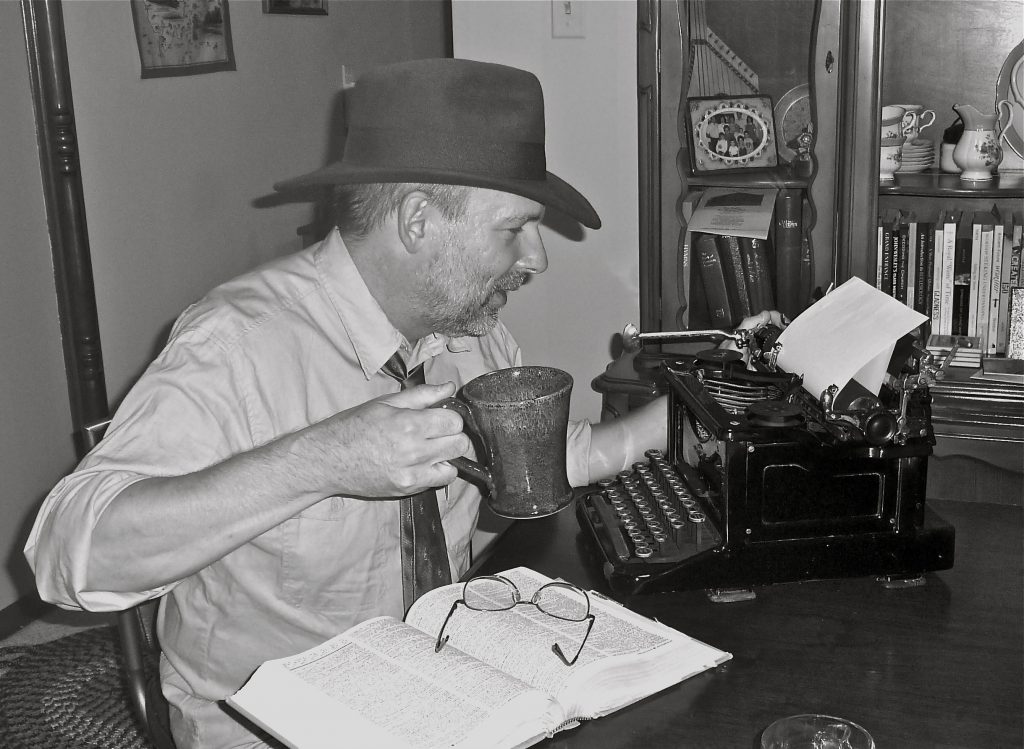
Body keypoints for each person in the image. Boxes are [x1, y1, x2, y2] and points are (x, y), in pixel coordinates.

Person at [24, 58, 667, 748]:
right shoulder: (237, 345)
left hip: (442, 685)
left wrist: (686, 407)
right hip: (270, 728)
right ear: (419, 220)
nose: (536, 257)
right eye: (513, 229)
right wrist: (319, 461)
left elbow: (542, 456)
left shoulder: (469, 336)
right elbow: (67, 556)